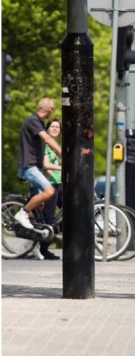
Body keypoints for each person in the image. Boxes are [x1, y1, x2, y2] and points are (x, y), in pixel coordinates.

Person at [15, 97, 62, 259]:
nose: (52, 111)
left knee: (40, 210)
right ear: (47, 109)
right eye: (52, 108)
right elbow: (47, 139)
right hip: (29, 166)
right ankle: (22, 212)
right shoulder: (33, 121)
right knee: (49, 191)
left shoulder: (38, 122)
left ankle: (33, 244)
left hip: (34, 166)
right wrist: (63, 154)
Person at [40, 117, 63, 256]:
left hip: (59, 183)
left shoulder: (56, 146)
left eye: (57, 127)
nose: (55, 129)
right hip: (49, 184)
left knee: (73, 209)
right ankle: (43, 250)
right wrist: (62, 168)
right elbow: (46, 165)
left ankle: (57, 232)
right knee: (49, 218)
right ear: (47, 129)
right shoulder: (45, 144)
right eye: (52, 126)